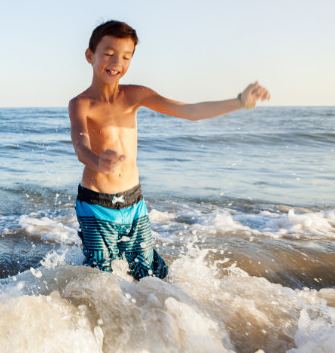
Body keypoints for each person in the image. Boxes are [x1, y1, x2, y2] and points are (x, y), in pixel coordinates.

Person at [67, 20, 270, 280]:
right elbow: (80, 147)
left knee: (149, 278)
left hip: (133, 202)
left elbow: (190, 111)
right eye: (108, 53)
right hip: (95, 205)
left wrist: (240, 101)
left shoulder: (135, 95)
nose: (117, 62)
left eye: (126, 56)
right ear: (90, 55)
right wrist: (98, 161)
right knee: (99, 279)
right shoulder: (81, 104)